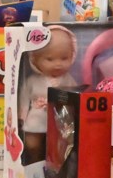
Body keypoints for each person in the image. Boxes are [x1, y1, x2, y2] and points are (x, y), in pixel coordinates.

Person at [18, 25, 77, 165]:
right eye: (49, 59)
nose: (58, 64)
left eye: (64, 58)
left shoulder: (68, 79)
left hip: (60, 117)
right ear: (35, 60)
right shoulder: (32, 81)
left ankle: (52, 164)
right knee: (32, 143)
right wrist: (21, 115)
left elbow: (76, 96)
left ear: (72, 55)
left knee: (60, 144)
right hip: (38, 115)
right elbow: (24, 97)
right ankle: (33, 161)